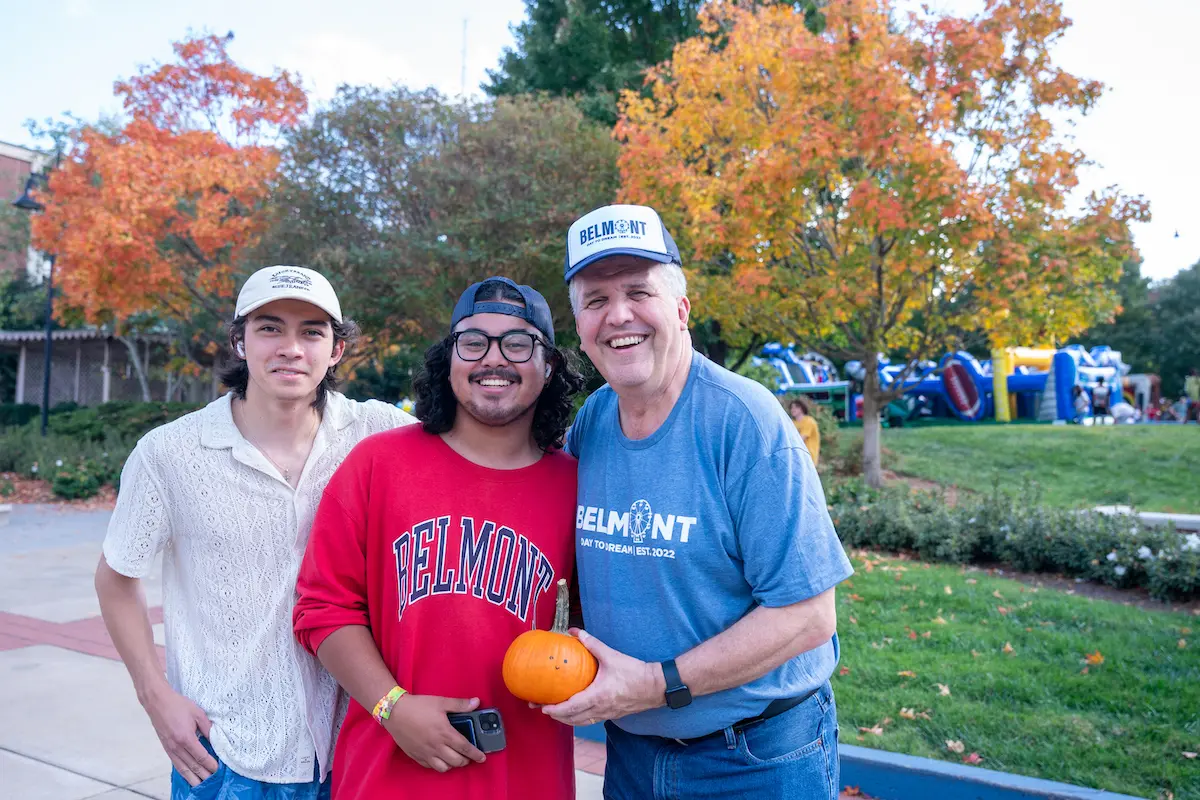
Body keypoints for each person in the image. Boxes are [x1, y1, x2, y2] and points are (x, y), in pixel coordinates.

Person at [546, 204, 854, 799]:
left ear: (682, 310)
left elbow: (809, 617)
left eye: (640, 291)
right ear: (580, 325)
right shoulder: (595, 422)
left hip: (754, 758)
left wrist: (658, 684)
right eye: (595, 300)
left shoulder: (744, 422)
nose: (618, 315)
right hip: (633, 752)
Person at [95, 266, 416, 799]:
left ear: (336, 349)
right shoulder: (170, 454)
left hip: (358, 747)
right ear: (239, 341)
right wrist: (157, 697)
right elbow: (116, 578)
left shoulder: (380, 434)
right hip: (224, 753)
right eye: (270, 328)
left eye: (312, 332)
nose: (291, 347)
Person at [293, 277, 586, 800]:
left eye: (519, 344)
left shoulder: (579, 487)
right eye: (473, 342)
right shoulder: (378, 464)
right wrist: (392, 706)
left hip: (525, 779)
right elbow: (323, 608)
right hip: (386, 776)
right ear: (447, 359)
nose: (493, 359)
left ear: (549, 367)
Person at [788, 396, 821, 468]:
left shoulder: (809, 421)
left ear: (802, 408)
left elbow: (800, 439)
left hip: (809, 457)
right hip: (797, 457)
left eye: (796, 407)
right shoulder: (792, 423)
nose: (793, 409)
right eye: (792, 407)